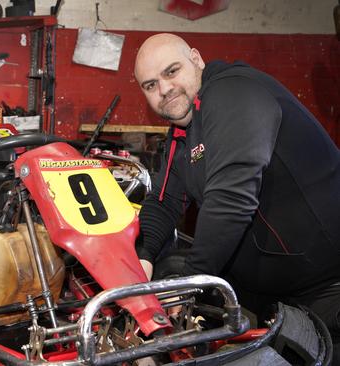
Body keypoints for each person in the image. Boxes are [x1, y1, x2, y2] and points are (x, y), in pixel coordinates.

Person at [133, 33, 340, 359]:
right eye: (149, 85)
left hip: (326, 290)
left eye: (171, 71)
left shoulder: (233, 92)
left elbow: (231, 200)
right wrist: (139, 261)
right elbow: (164, 200)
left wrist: (188, 286)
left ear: (197, 59)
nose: (164, 89)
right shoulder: (183, 130)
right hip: (272, 294)